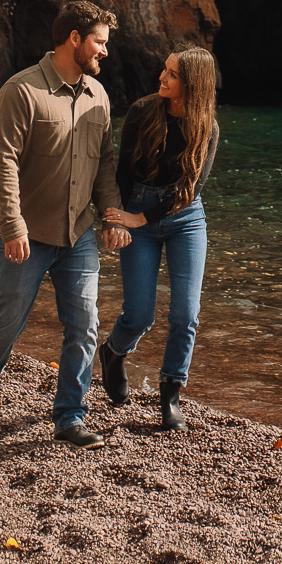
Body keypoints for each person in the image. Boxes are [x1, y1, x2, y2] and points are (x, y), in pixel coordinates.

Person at [0, 0, 130, 451]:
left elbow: (104, 165)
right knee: (6, 325)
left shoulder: (99, 96)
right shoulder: (21, 91)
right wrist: (12, 226)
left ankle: (70, 416)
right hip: (26, 236)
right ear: (75, 39)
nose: (105, 52)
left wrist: (111, 217)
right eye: (99, 43)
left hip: (79, 235)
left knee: (86, 323)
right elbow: (2, 163)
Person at [96, 46, 219, 434]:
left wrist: (141, 217)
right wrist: (117, 219)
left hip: (185, 218)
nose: (161, 78)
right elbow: (122, 174)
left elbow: (190, 188)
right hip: (138, 210)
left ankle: (170, 395)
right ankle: (113, 353)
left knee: (186, 314)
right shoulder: (142, 112)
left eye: (171, 74)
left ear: (192, 84)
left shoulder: (208, 127)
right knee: (139, 315)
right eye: (164, 70)